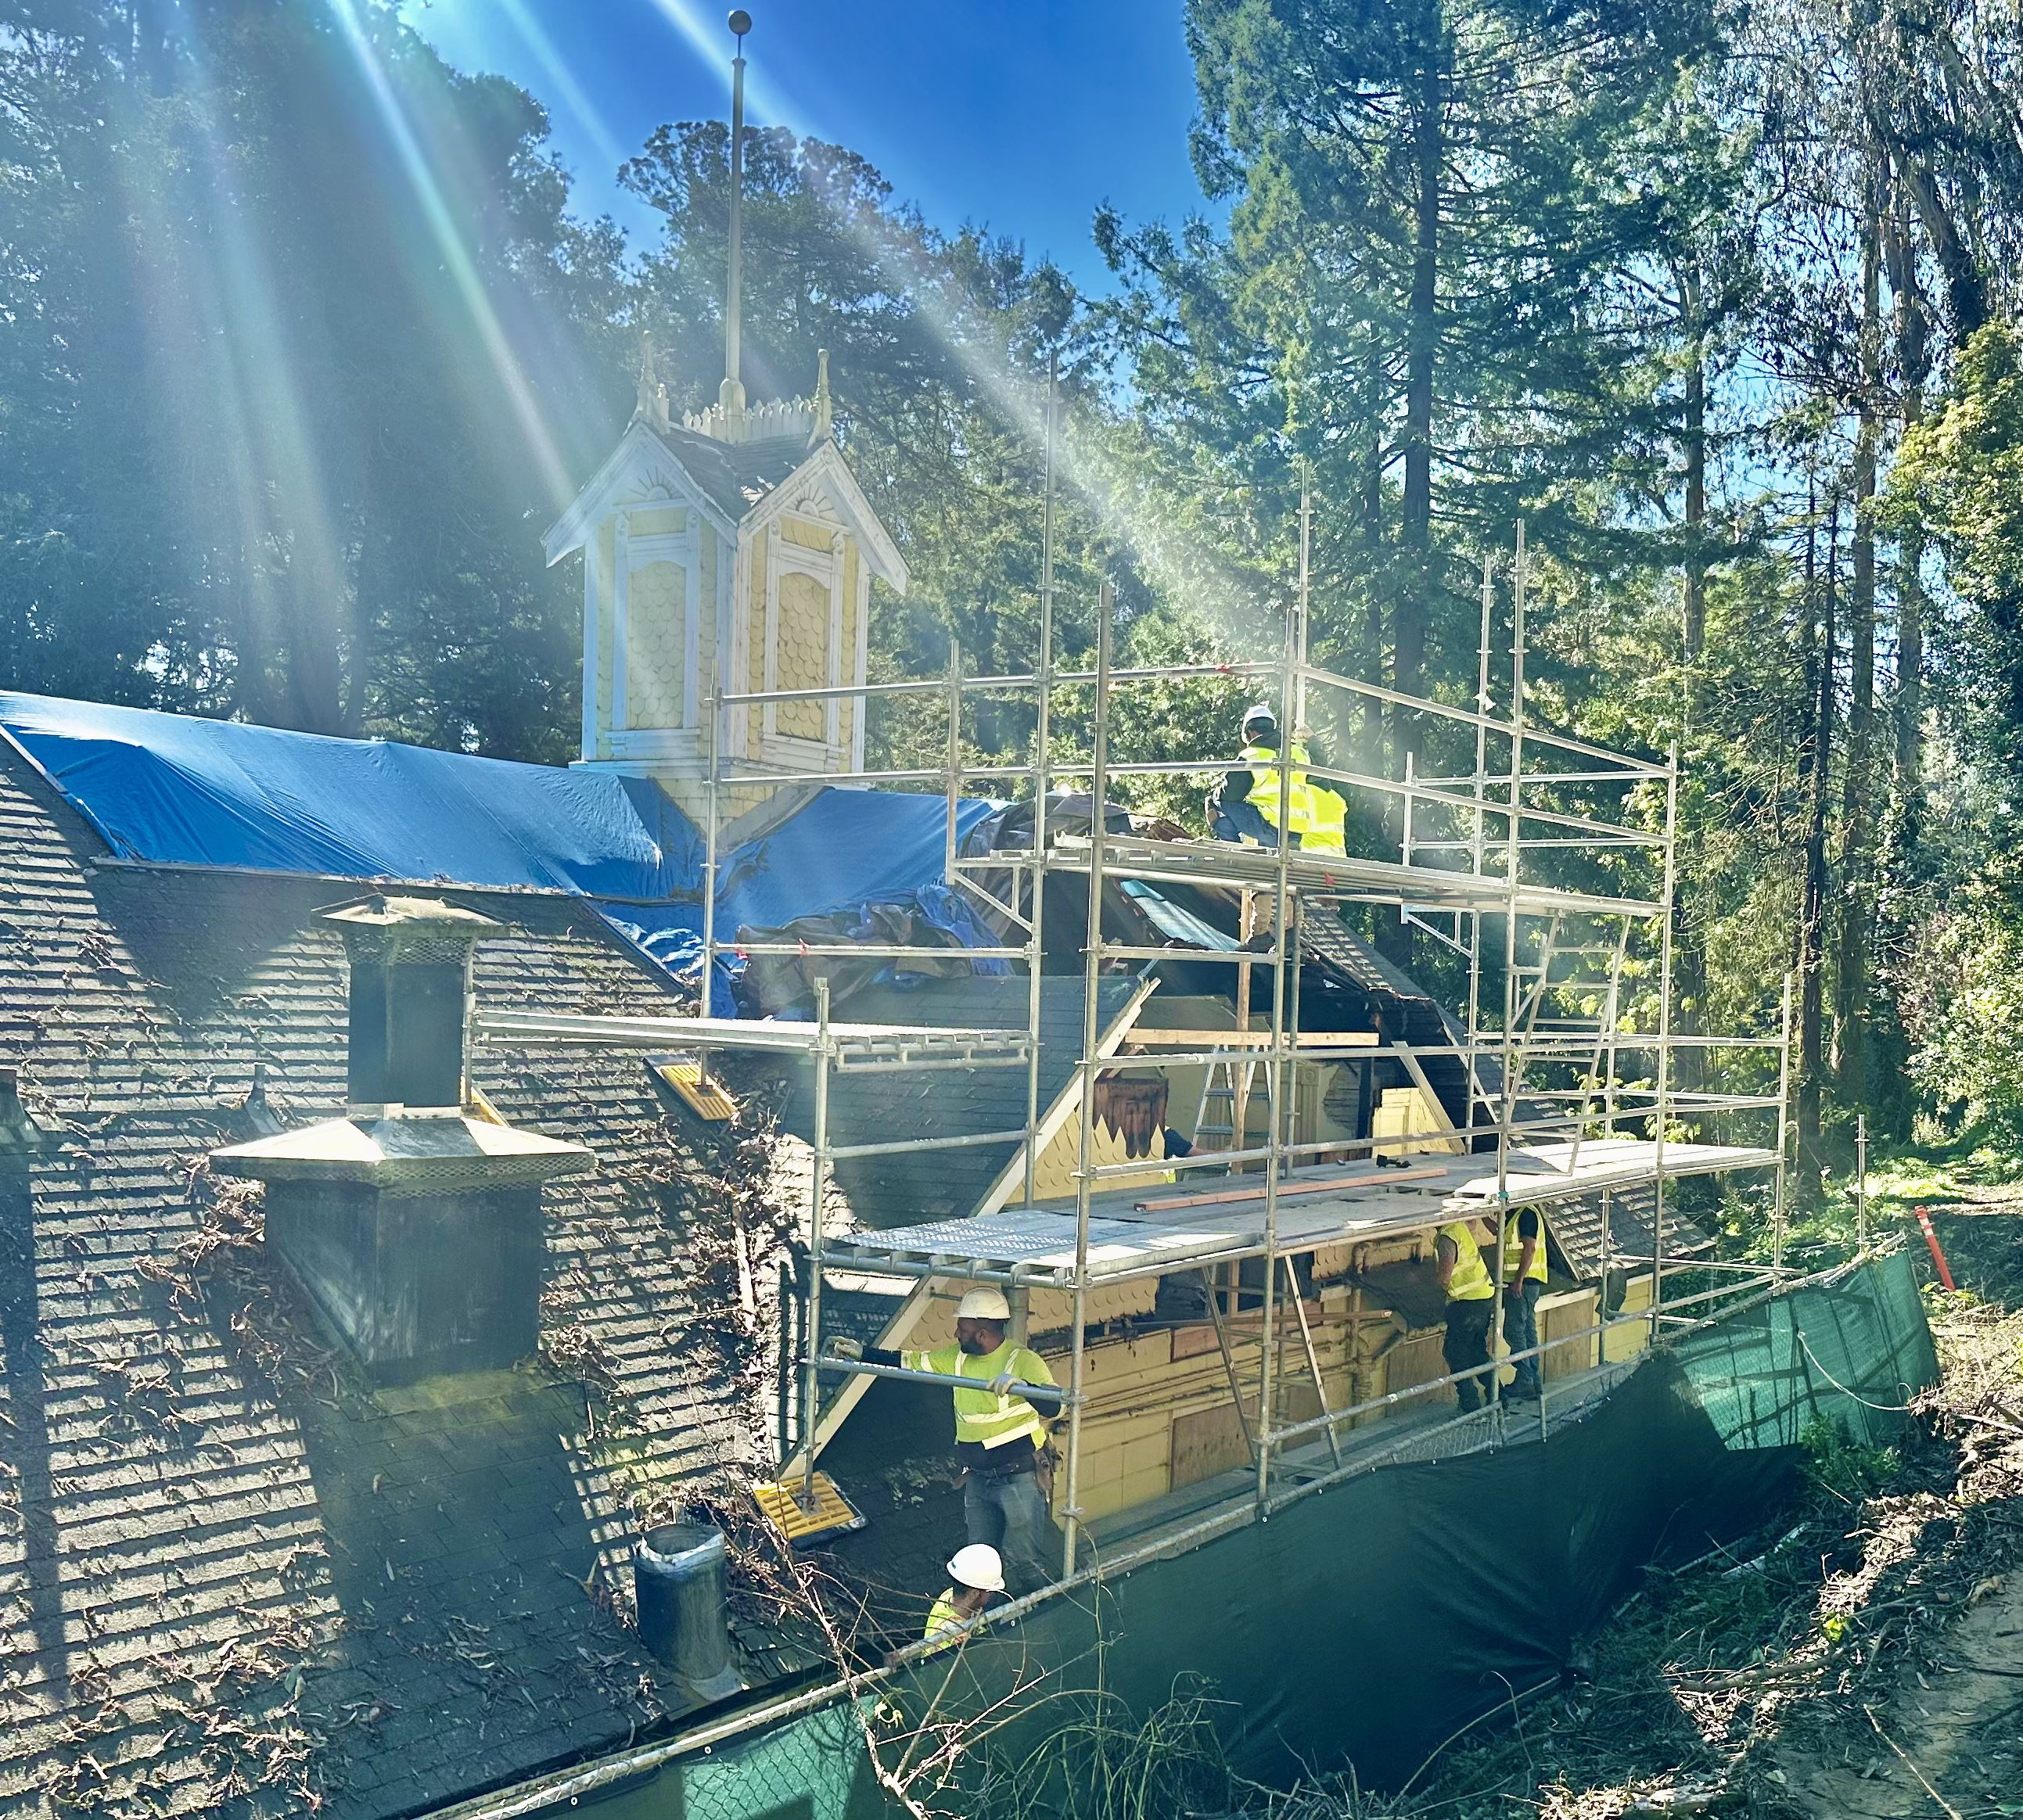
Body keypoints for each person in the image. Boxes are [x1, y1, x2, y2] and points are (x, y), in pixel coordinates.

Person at [828, 1287, 1059, 1593]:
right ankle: (982, 1626)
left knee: (1023, 1558)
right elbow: (912, 1362)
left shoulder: (1023, 1361)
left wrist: (1024, 1387)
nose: (956, 1333)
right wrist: (864, 1354)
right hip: (978, 1480)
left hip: (1019, 1479)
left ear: (981, 1334)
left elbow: (1055, 1405)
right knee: (976, 1565)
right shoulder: (957, 1357)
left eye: (963, 1329)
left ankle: (1041, 1616)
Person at [1204, 705, 1348, 856]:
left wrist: (1214, 796)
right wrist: (1312, 739)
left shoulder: (1251, 756)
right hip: (1296, 832)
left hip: (1271, 828)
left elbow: (1228, 795)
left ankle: (1233, 853)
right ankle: (1272, 850)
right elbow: (1321, 774)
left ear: (1250, 733)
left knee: (1215, 803)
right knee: (1262, 814)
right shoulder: (1298, 753)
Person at [1435, 1217, 1497, 1413]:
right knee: (1476, 1351)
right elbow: (1472, 1223)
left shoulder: (1447, 1237)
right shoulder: (1458, 1227)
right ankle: (1498, 1396)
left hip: (1466, 1303)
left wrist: (1440, 1288)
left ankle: (1470, 1404)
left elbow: (1445, 1275)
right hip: (1483, 1297)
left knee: (1455, 1353)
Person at [1500, 1206, 1548, 1402]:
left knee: (1513, 1331)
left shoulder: (1526, 1214)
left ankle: (1525, 1380)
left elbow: (1530, 1248)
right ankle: (1534, 1382)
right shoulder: (1520, 1214)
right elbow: (1499, 1231)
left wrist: (1518, 1280)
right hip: (1530, 1283)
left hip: (1522, 1283)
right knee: (1528, 1332)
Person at [922, 1543, 1004, 1650]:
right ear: (974, 1594)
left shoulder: (949, 1595)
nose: (992, 1594)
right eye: (990, 1591)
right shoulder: (960, 1639)